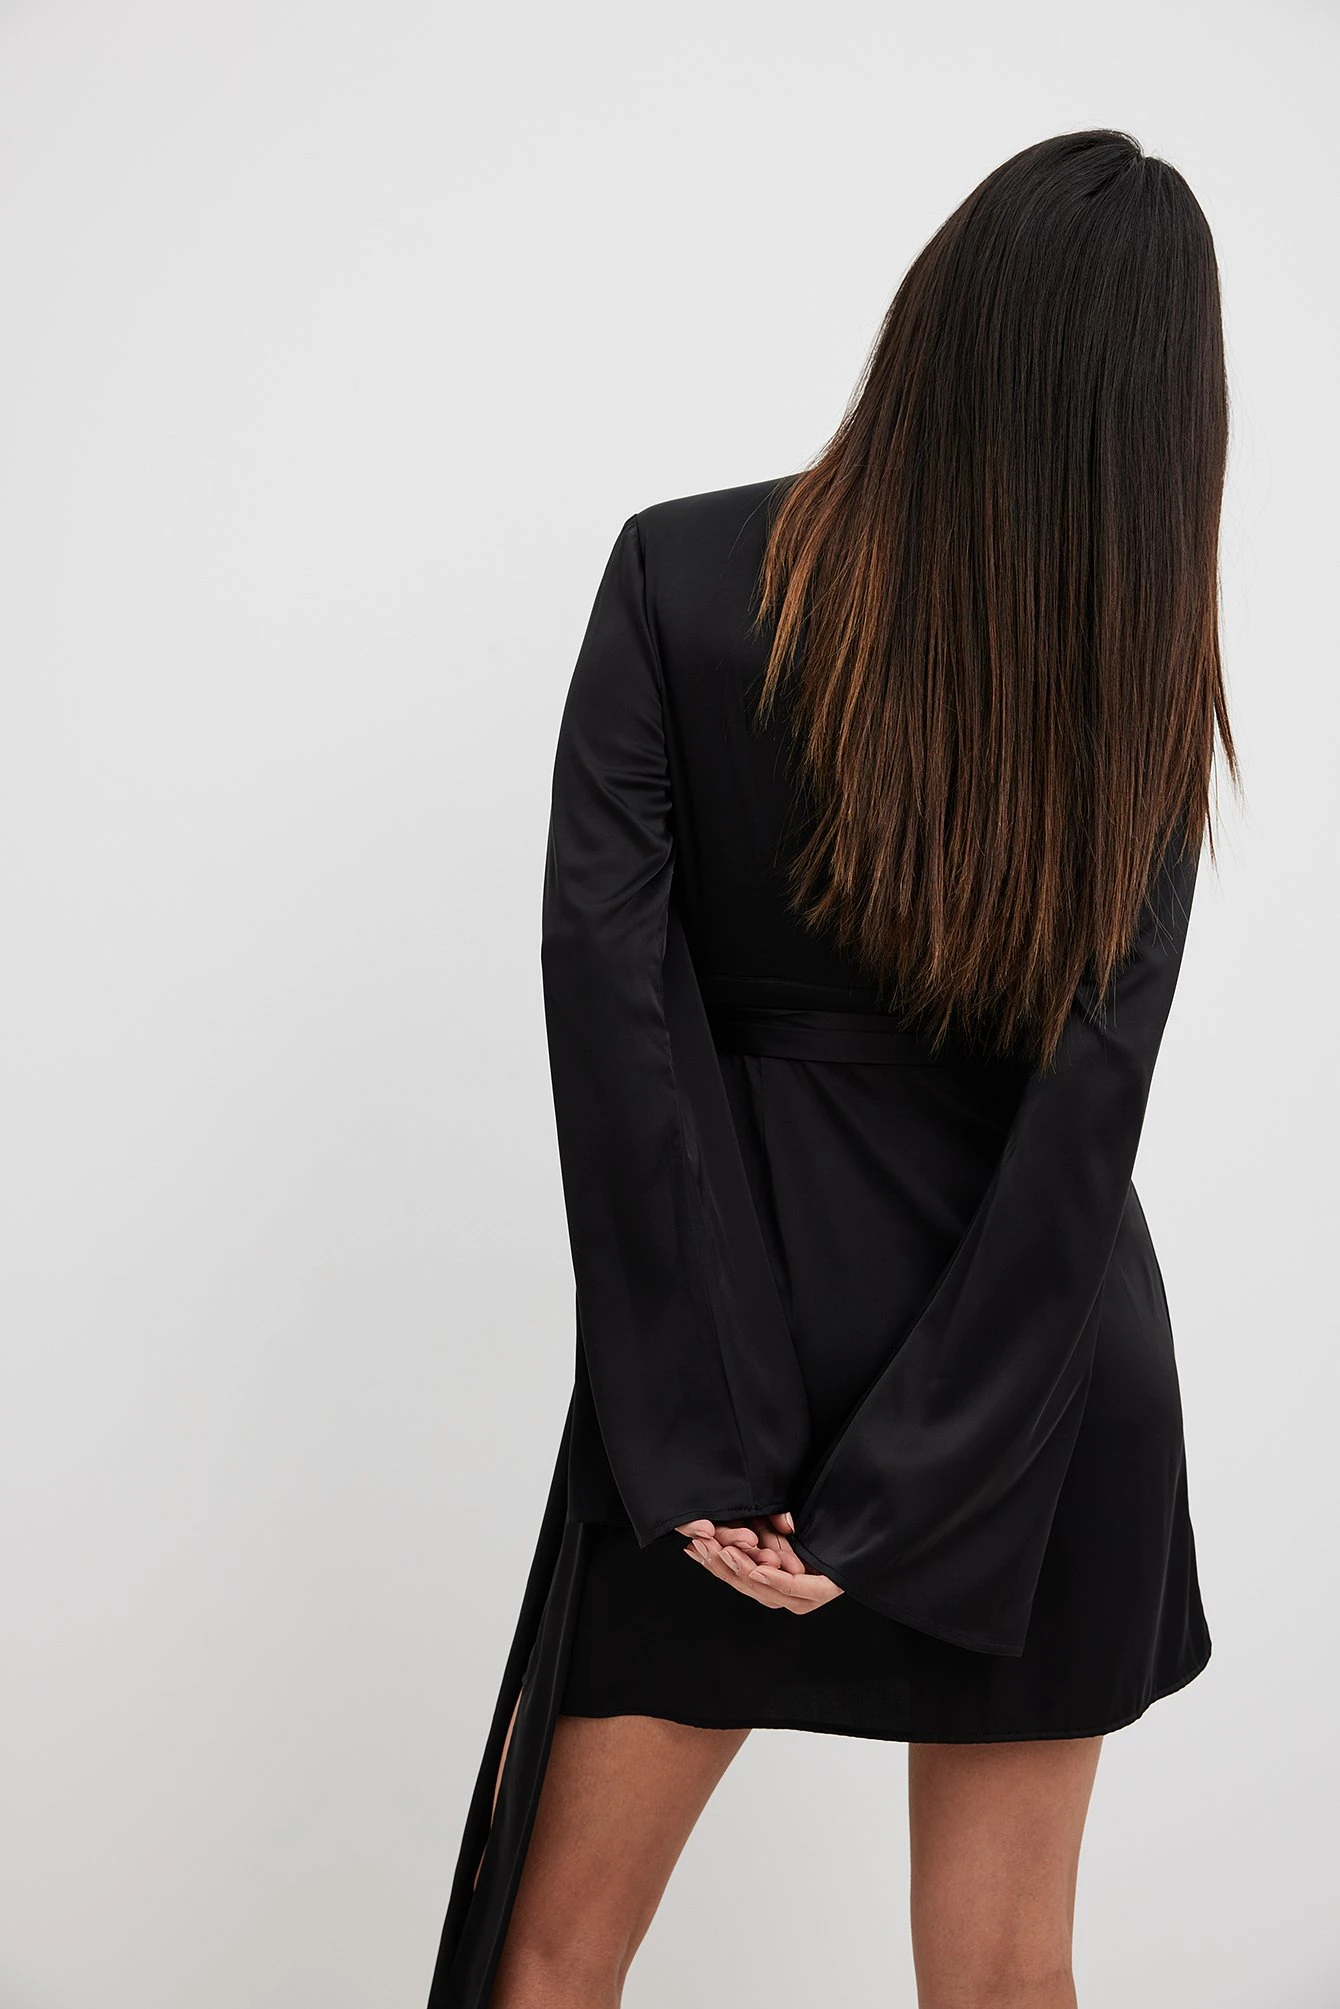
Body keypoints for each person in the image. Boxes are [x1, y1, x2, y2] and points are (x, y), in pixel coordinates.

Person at [426, 128, 1235, 2009]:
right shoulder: (1134, 673)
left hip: (721, 1360)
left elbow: (611, 1011)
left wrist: (697, 1440)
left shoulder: (679, 572)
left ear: (938, 315)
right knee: (1006, 1974)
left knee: (552, 1959)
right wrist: (901, 1493)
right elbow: (1085, 1118)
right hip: (1031, 1394)